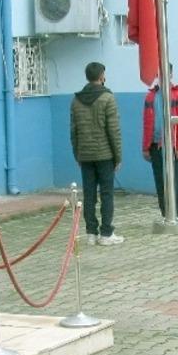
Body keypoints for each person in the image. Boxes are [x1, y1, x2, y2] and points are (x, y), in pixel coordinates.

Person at [70, 62, 123, 245]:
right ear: (101, 76)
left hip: (85, 155)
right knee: (107, 194)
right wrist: (118, 157)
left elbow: (73, 132)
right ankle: (106, 233)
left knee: (89, 194)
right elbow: (114, 131)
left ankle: (91, 233)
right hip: (105, 155)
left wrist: (77, 154)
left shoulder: (76, 100)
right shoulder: (108, 98)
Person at [141, 66, 178, 219]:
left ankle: (176, 214)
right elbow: (147, 123)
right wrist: (145, 146)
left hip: (172, 146)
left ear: (171, 74)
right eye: (159, 73)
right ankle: (165, 213)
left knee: (175, 181)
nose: (162, 76)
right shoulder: (150, 97)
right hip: (155, 145)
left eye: (166, 72)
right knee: (160, 181)